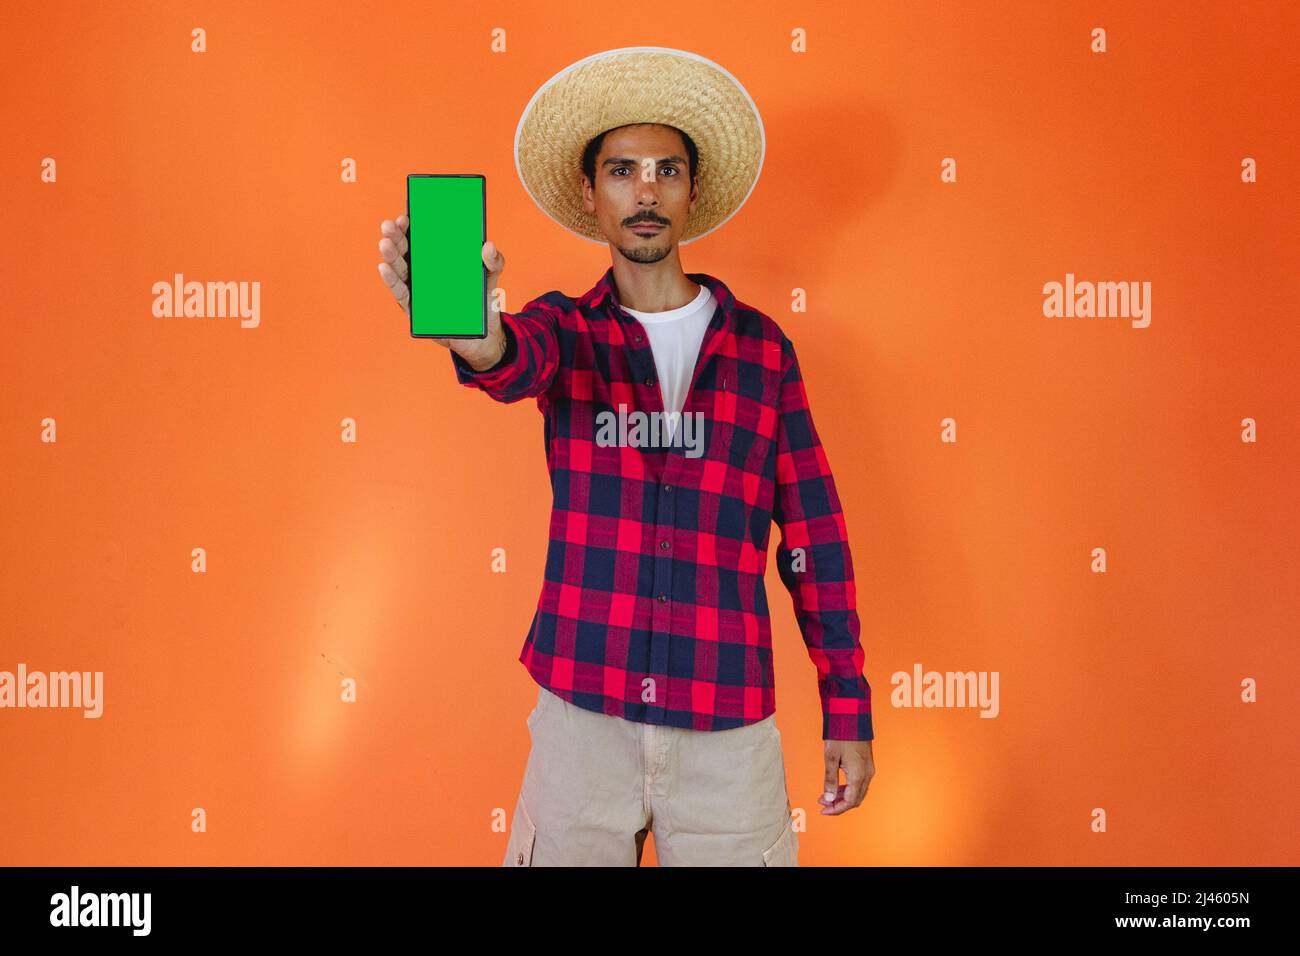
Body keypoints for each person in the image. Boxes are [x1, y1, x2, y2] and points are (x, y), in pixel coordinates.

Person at [376, 47, 875, 866]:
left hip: (728, 730)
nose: (644, 191)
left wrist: (846, 705)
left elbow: (814, 537)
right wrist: (473, 334)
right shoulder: (565, 331)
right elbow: (510, 359)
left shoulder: (764, 352)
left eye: (665, 170)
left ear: (690, 191)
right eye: (621, 171)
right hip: (582, 721)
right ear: (591, 193)